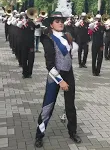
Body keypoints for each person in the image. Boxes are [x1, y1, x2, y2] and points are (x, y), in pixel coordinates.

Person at [35, 12, 81, 148]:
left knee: (70, 106)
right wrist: (60, 81)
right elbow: (49, 65)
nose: (60, 23)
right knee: (48, 106)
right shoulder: (47, 38)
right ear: (51, 24)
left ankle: (72, 132)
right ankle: (39, 135)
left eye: (61, 21)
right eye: (56, 21)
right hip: (55, 75)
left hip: (69, 73)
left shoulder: (67, 35)